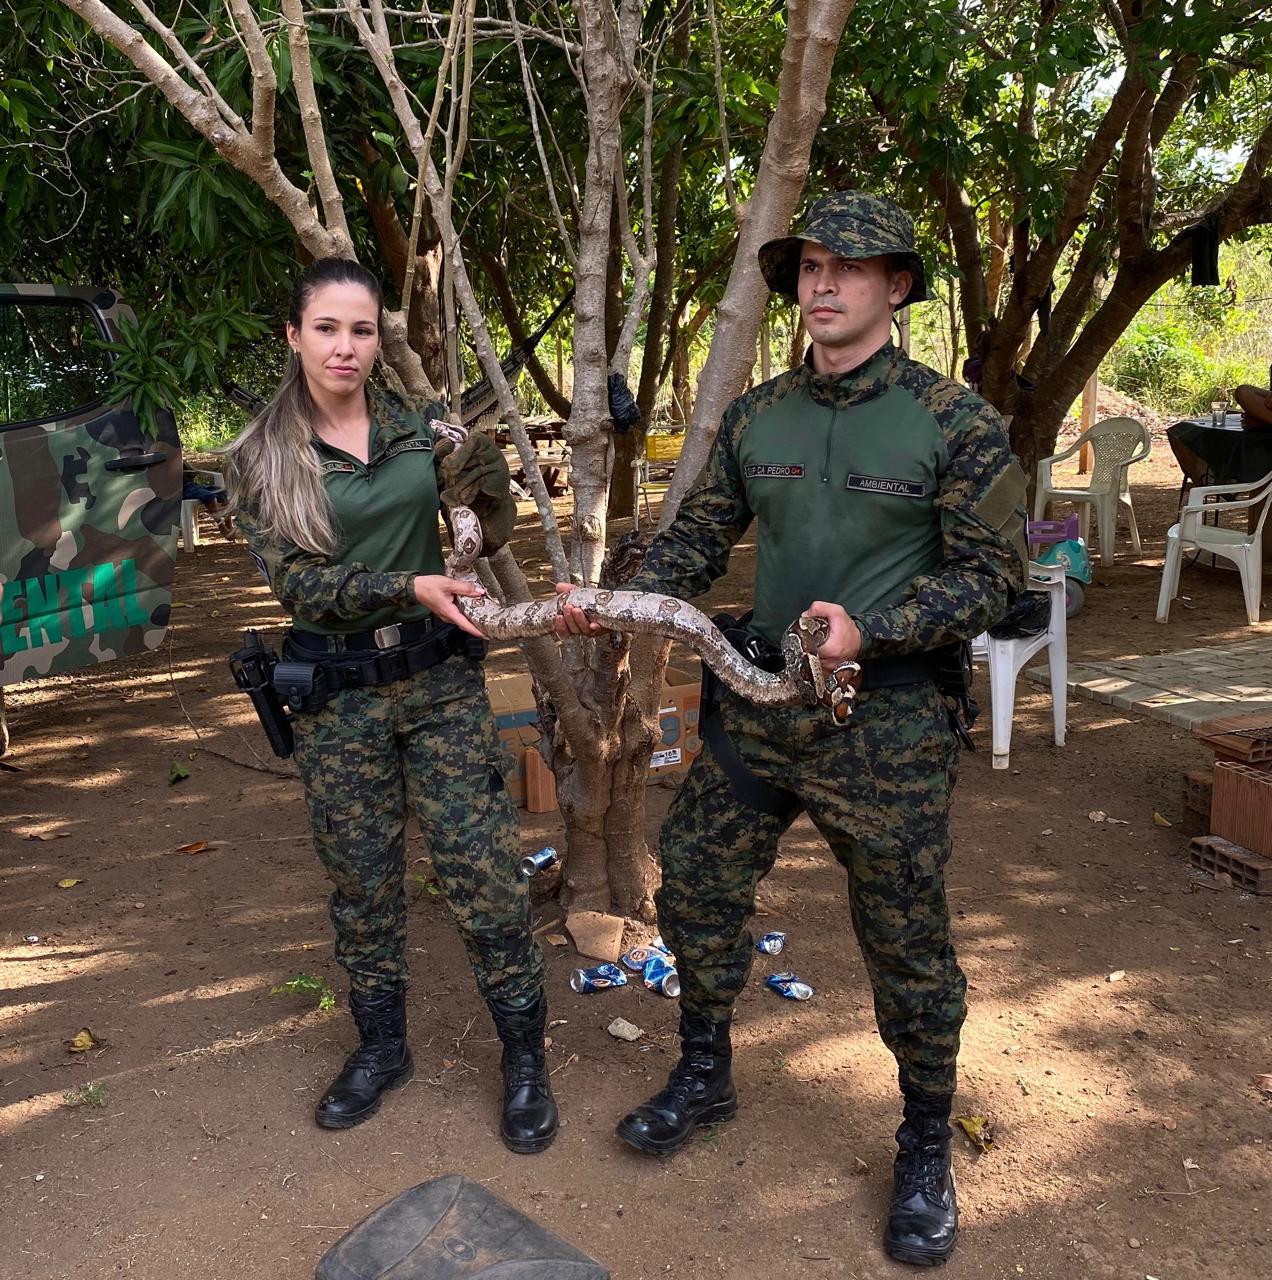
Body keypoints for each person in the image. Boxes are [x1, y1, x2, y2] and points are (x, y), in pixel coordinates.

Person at [558, 192, 1027, 1266]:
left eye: (848, 268)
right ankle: (705, 1072)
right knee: (701, 885)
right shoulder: (758, 415)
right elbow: (694, 542)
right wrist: (617, 597)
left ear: (896, 286)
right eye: (810, 266)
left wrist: (878, 628)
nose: (822, 284)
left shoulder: (951, 421)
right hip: (759, 699)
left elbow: (995, 578)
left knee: (904, 937)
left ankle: (920, 1140)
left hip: (889, 719)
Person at [222, 257, 555, 1154]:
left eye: (361, 330)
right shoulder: (261, 459)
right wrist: (409, 582)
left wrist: (484, 499)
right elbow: (303, 586)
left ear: (379, 339)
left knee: (483, 873)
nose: (344, 346)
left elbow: (488, 519)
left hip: (439, 680)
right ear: (294, 336)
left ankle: (525, 1057)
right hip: (338, 702)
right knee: (362, 885)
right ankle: (382, 1049)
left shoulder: (423, 431)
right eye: (326, 328)